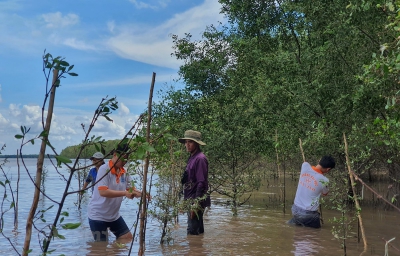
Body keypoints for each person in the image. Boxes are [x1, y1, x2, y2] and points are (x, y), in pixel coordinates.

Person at [87, 142, 142, 242]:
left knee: (127, 239)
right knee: (101, 247)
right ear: (115, 154)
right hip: (98, 216)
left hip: (113, 216)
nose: (124, 161)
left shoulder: (124, 171)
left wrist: (143, 194)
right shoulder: (104, 169)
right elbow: (103, 192)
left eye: (126, 159)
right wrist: (125, 193)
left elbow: (131, 190)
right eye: (122, 158)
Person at [289, 156, 335, 228]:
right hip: (309, 214)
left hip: (295, 209)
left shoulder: (305, 166)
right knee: (316, 235)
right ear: (328, 169)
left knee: (299, 232)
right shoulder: (325, 181)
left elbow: (306, 163)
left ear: (319, 160)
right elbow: (325, 193)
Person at [179, 130, 210, 235]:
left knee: (192, 232)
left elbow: (201, 182)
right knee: (197, 232)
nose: (187, 145)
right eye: (186, 142)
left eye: (190, 142)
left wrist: (195, 204)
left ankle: (195, 251)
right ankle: (199, 250)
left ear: (196, 143)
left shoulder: (200, 158)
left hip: (196, 200)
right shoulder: (192, 157)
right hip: (191, 198)